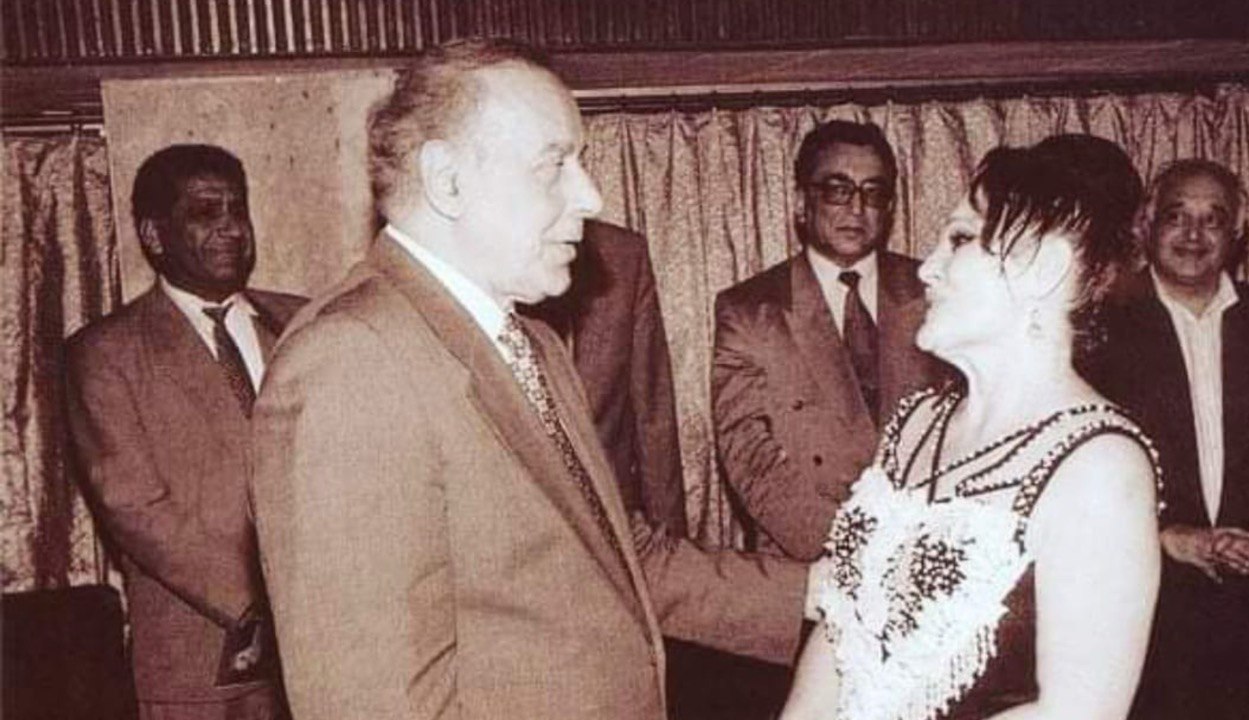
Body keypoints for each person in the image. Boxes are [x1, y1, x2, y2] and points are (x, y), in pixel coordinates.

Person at [250, 39, 811, 720]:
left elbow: (613, 556)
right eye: (554, 166)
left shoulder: (532, 342)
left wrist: (821, 593)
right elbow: (373, 706)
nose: (591, 196)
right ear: (448, 181)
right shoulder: (353, 362)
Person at [781, 136, 1162, 720]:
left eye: (960, 239)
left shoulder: (1101, 467)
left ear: (1043, 268)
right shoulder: (916, 426)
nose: (928, 268)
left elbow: (1076, 712)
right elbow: (842, 631)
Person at [65, 144, 305, 720]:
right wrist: (271, 609)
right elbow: (136, 507)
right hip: (201, 663)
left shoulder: (307, 321)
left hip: (328, 651)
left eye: (237, 208)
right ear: (153, 235)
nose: (231, 228)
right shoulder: (104, 353)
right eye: (204, 212)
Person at [1086, 159, 1249, 720]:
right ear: (1145, 224)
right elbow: (1069, 471)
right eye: (1177, 216)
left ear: (1237, 233)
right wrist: (1164, 537)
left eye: (1212, 219)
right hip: (1143, 617)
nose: (1194, 234)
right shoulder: (1097, 329)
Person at [713, 120, 943, 561]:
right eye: (838, 190)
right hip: (810, 559)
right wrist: (847, 549)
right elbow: (748, 456)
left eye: (873, 192)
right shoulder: (749, 310)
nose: (857, 208)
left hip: (926, 553)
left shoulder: (935, 291)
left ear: (889, 208)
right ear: (802, 202)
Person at [525, 219, 687, 536]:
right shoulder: (480, 257)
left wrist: (669, 537)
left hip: (613, 527)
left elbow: (654, 418)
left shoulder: (624, 255)